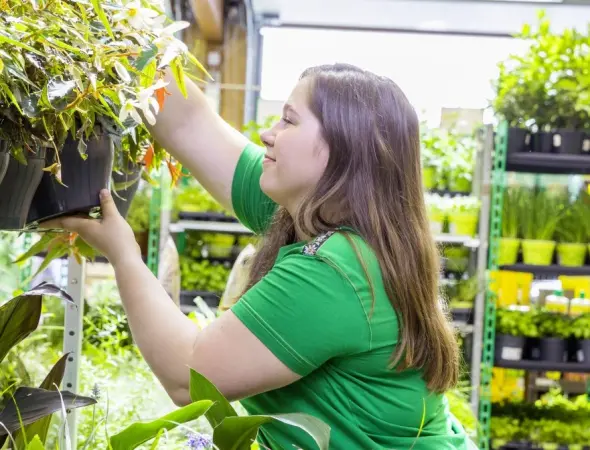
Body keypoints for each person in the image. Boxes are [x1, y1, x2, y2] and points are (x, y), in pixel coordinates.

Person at [43, 63, 476, 449]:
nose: (269, 133)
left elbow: (188, 375)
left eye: (288, 121)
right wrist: (129, 38)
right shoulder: (308, 214)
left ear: (342, 149)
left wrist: (123, 253)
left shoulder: (338, 271)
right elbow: (189, 123)